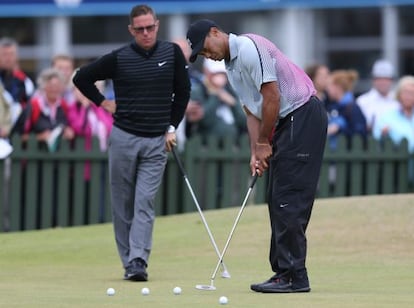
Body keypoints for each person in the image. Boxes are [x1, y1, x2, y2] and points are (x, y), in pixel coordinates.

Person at [187, 19, 327, 293]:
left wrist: (264, 141)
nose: (208, 56)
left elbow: (272, 97)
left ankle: (294, 276)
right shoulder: (231, 67)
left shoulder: (249, 46)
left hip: (302, 114)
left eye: (205, 48)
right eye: (202, 56)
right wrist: (255, 151)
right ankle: (282, 273)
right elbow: (252, 111)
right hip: (288, 121)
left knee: (289, 197)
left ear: (215, 33)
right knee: (276, 197)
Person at [73, 4, 190, 282]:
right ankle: (129, 262)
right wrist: (103, 103)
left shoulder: (171, 53)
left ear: (157, 25)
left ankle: (139, 259)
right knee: (123, 203)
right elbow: (82, 77)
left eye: (150, 27)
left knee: (145, 201)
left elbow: (183, 92)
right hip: (124, 136)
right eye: (140, 29)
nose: (146, 33)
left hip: (156, 140)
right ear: (131, 30)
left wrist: (172, 127)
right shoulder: (119, 58)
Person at [191, 58, 246, 141]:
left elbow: (245, 122)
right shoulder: (198, 91)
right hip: (205, 148)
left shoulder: (232, 91)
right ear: (206, 72)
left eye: (222, 73)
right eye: (215, 73)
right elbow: (204, 120)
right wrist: (215, 95)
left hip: (234, 148)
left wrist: (233, 103)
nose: (220, 77)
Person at [372, 75, 414, 182]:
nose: (409, 96)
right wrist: (383, 134)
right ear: (399, 95)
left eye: (412, 93)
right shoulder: (387, 116)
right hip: (396, 169)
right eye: (406, 92)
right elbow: (376, 137)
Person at [325, 69, 367, 149]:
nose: (327, 89)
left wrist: (340, 128)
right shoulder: (332, 106)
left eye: (329, 86)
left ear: (338, 87)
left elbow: (360, 131)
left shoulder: (353, 108)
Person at [356, 59, 399, 133]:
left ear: (392, 80)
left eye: (386, 79)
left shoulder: (399, 100)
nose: (383, 82)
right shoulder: (362, 101)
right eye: (379, 79)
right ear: (373, 80)